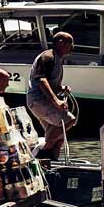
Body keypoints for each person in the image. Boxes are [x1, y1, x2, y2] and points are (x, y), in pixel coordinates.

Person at [27, 32, 77, 160]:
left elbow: (52, 83)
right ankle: (41, 152)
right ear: (60, 43)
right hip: (38, 101)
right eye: (70, 43)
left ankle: (52, 162)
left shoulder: (58, 60)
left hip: (44, 102)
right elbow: (41, 80)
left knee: (59, 138)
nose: (72, 46)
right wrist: (56, 101)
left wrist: (62, 88)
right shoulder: (47, 57)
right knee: (70, 120)